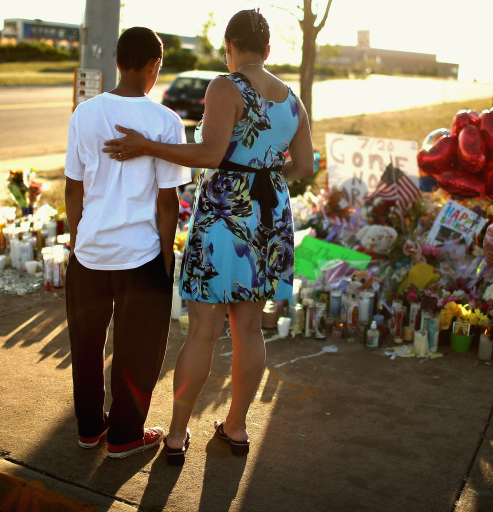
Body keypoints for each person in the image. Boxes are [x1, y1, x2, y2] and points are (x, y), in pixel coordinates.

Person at [103, 9, 314, 461]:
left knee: (202, 330)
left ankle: (177, 436)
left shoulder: (226, 85)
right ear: (269, 50)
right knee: (250, 328)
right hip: (270, 213)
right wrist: (268, 173)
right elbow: (304, 166)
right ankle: (236, 428)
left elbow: (211, 153)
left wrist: (146, 146)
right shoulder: (292, 100)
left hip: (224, 215)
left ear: (229, 47)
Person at [65, 27, 191, 459]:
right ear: (154, 65)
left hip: (90, 250)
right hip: (140, 255)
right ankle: (124, 436)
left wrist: (75, 241)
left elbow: (73, 189)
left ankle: (88, 428)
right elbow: (167, 202)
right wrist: (167, 253)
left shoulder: (84, 113)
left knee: (85, 344)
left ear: (117, 61)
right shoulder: (165, 122)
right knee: (138, 349)